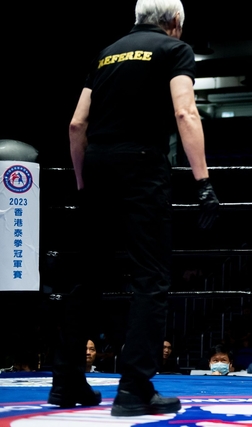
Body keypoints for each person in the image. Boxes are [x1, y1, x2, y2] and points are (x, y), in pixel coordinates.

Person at [48, 0, 219, 417]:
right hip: (142, 166)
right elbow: (185, 111)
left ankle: (66, 381)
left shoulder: (105, 53)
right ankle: (134, 390)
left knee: (85, 278)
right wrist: (203, 182)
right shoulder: (174, 49)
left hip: (97, 165)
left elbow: (76, 124)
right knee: (150, 278)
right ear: (174, 22)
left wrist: (82, 182)